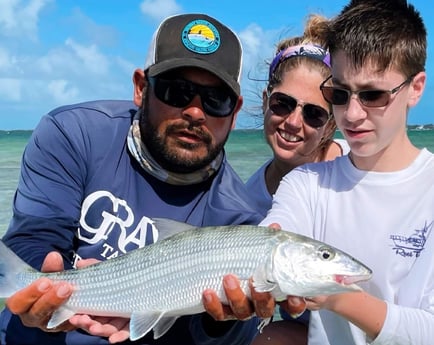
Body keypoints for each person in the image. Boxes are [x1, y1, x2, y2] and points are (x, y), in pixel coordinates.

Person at [0, 13, 268, 345]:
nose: (196, 112)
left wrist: (222, 320)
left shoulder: (240, 219)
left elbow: (228, 337)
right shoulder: (73, 134)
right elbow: (32, 237)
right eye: (177, 91)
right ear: (141, 88)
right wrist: (45, 286)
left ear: (235, 111)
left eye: (217, 100)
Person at [258, 0, 434, 344]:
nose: (352, 114)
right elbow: (273, 239)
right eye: (339, 93)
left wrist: (336, 295)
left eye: (373, 95)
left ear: (415, 88)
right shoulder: (305, 184)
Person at [246, 15, 347, 345]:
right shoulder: (247, 202)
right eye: (282, 104)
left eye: (313, 113)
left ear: (329, 126)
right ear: (265, 102)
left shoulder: (359, 174)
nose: (292, 122)